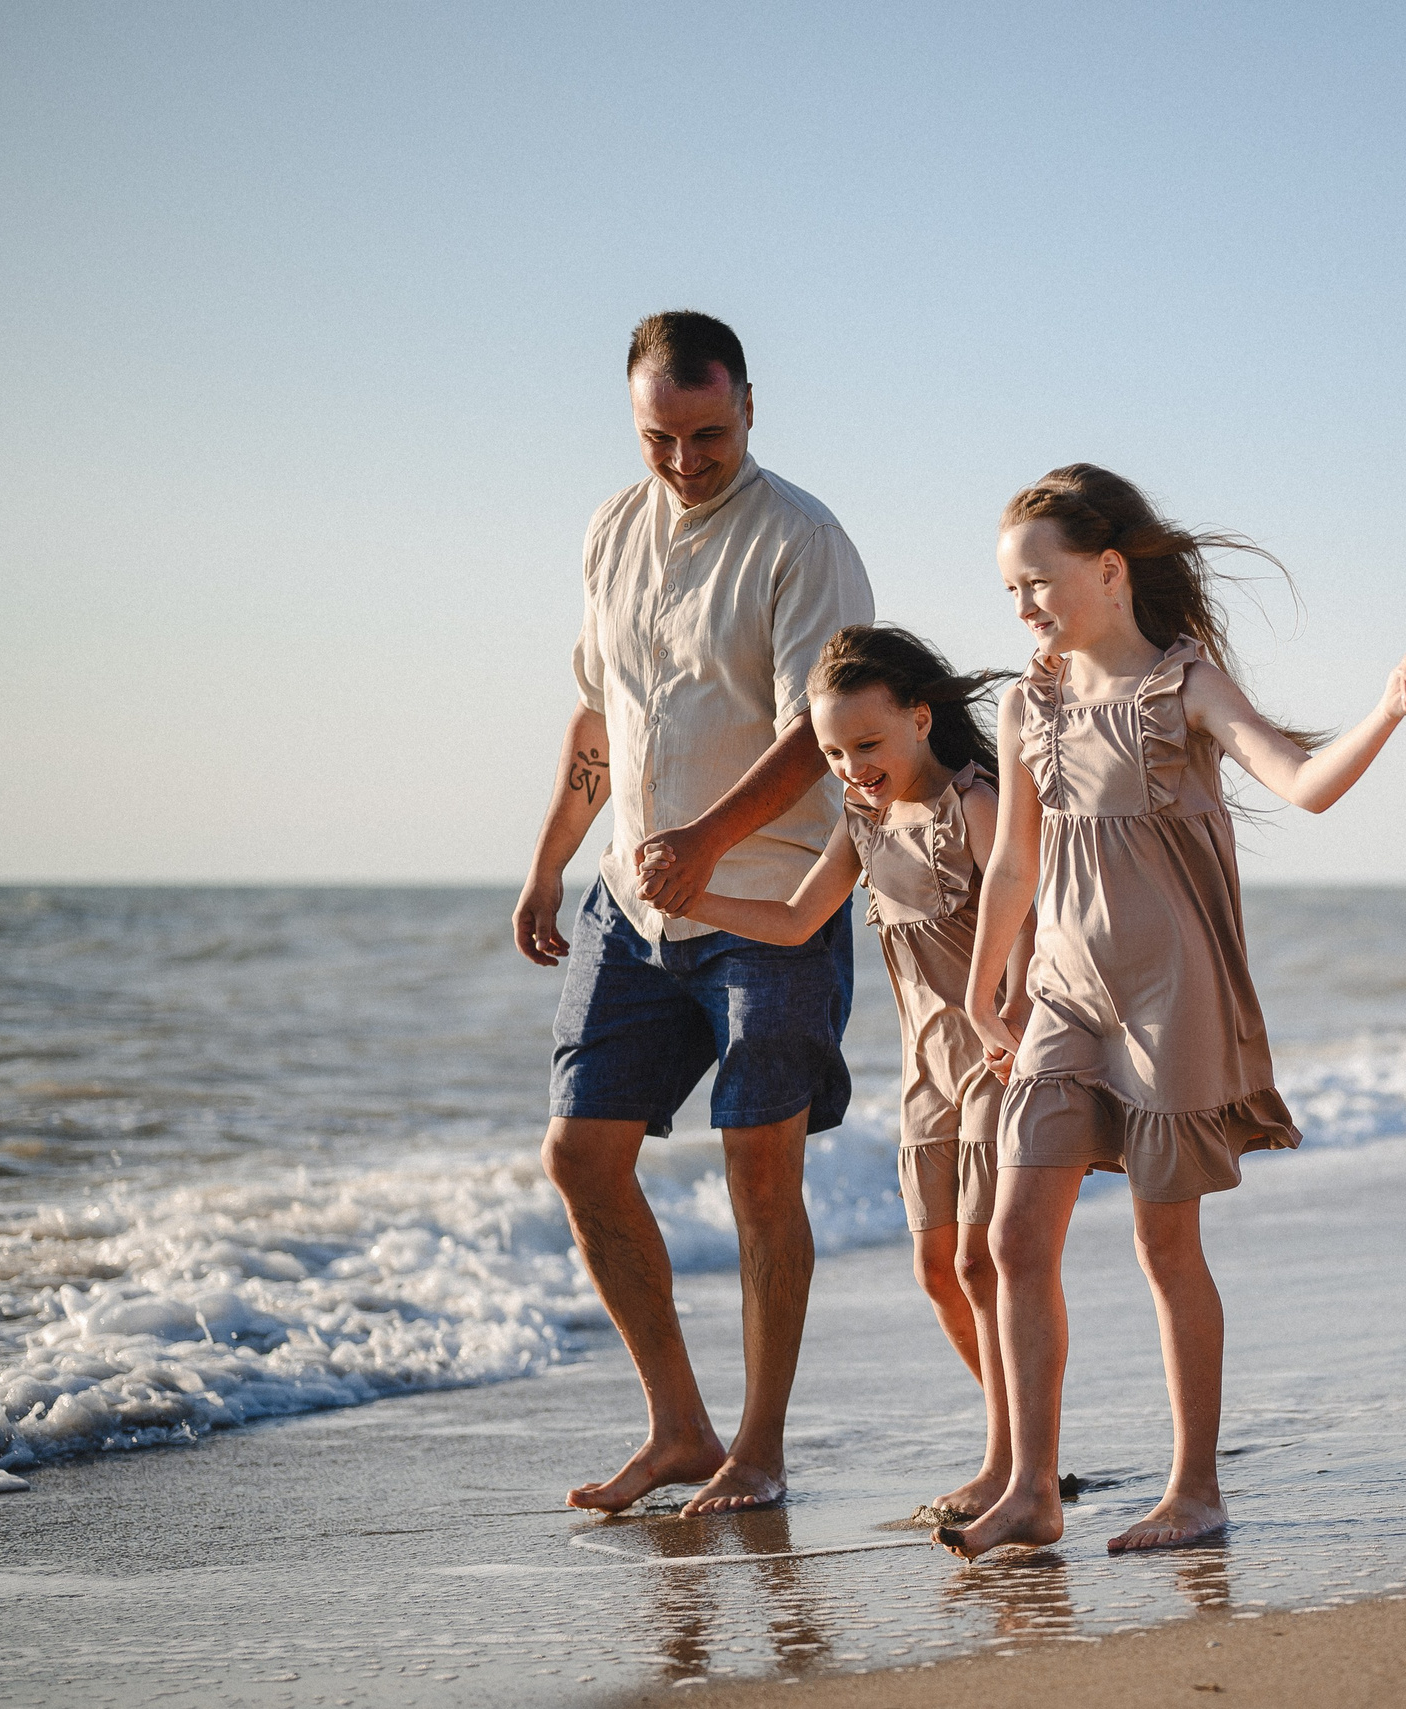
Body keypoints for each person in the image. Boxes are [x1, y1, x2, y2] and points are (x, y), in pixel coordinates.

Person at [937, 464, 1406, 1560]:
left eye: (1038, 581)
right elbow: (1015, 861)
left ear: (1108, 569)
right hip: (1064, 992)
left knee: (1166, 1245)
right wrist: (985, 986)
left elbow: (1302, 781)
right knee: (1018, 1235)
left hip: (1173, 999)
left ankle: (1195, 1488)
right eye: (1011, 590)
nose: (1023, 606)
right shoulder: (1029, 703)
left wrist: (1389, 708)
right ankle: (1030, 1487)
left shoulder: (1184, 687)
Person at [510, 309, 876, 1516]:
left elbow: (818, 736)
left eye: (707, 434)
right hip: (633, 903)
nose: (683, 460)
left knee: (758, 1174)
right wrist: (552, 859)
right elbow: (601, 714)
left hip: (768, 900)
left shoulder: (801, 541)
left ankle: (758, 1451)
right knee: (580, 1153)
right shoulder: (612, 528)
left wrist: (705, 840)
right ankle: (677, 1425)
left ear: (752, 406)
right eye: (659, 438)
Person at [643, 622, 1035, 1527]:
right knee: (938, 1269)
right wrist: (691, 897)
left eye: (867, 744)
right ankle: (1025, 1445)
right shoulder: (863, 820)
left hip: (996, 1060)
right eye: (830, 751)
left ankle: (1014, 1463)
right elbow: (790, 918)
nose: (851, 766)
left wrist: (1011, 1014)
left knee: (983, 1262)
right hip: (925, 1074)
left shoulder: (977, 805)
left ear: (921, 719)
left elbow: (1034, 921)